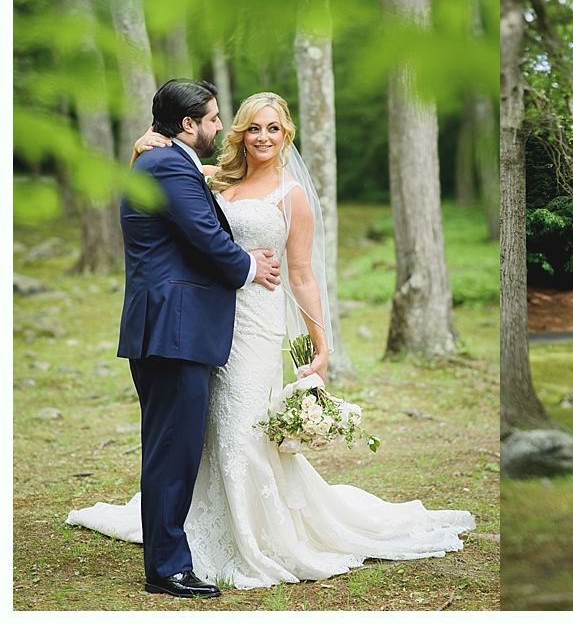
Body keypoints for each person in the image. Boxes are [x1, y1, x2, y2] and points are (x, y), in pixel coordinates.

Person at [68, 90, 475, 592]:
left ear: (287, 135)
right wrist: (145, 148)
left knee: (238, 429)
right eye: (249, 127)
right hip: (198, 321)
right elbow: (184, 206)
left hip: (250, 322)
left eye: (273, 129)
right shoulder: (209, 176)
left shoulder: (291, 194)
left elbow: (302, 273)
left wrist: (320, 346)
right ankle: (187, 542)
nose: (261, 137)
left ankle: (247, 535)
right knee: (191, 438)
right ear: (227, 130)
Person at [104, 78, 283, 598]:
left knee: (173, 447)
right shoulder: (165, 165)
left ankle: (167, 552)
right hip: (173, 328)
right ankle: (167, 568)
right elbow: (206, 237)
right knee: (172, 451)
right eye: (211, 119)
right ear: (188, 124)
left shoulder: (167, 161)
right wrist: (250, 266)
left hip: (173, 328)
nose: (219, 126)